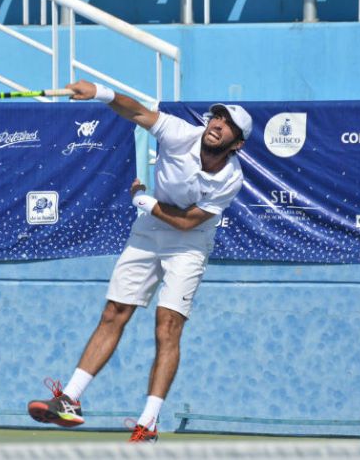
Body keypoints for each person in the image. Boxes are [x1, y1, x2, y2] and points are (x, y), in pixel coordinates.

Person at [27, 80, 252, 442]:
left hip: (190, 242)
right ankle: (69, 400)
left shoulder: (231, 179)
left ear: (236, 143)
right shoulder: (181, 133)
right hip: (149, 229)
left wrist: (145, 201)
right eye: (217, 117)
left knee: (168, 326)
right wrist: (101, 92)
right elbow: (137, 112)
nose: (217, 124)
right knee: (114, 311)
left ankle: (148, 421)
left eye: (228, 125)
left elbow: (187, 222)